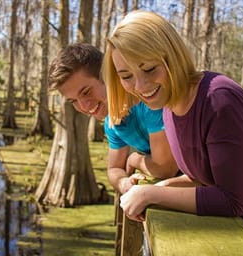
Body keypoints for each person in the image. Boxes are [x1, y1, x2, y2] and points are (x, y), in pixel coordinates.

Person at [102, 10, 243, 252]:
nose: (140, 86)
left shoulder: (217, 98)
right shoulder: (168, 109)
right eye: (126, 76)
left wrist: (150, 195)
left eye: (150, 69)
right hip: (242, 233)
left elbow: (232, 200)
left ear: (172, 55)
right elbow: (203, 177)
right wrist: (159, 188)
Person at [48, 43, 178, 194]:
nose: (83, 106)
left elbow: (165, 168)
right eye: (73, 101)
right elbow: (114, 168)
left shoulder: (149, 102)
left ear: (108, 76)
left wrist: (134, 159)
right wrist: (123, 182)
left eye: (86, 92)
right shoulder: (112, 123)